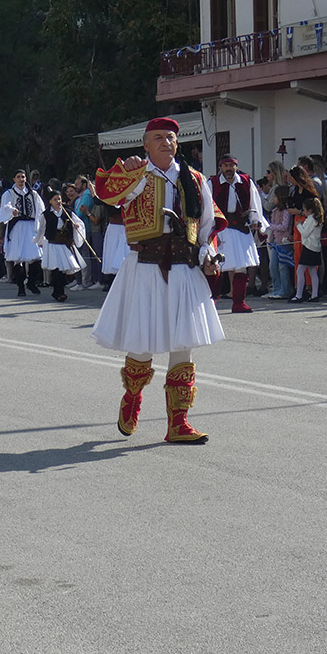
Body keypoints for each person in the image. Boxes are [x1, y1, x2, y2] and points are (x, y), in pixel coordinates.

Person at [92, 117, 224, 445]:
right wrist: (125, 168)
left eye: (171, 137)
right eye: (158, 138)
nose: (166, 142)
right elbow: (106, 194)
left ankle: (178, 422)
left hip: (184, 267)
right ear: (146, 143)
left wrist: (208, 251)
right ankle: (132, 398)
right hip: (146, 267)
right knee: (142, 342)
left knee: (184, 346)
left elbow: (208, 223)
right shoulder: (137, 175)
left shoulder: (194, 179)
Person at [208, 154, 265, 314]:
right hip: (221, 228)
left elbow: (255, 203)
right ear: (221, 167)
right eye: (225, 166)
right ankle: (211, 302)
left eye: (231, 165)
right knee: (216, 267)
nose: (228, 169)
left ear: (236, 167)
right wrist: (211, 230)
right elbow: (207, 207)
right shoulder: (212, 183)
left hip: (241, 228)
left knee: (241, 267)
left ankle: (239, 303)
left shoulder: (246, 182)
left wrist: (256, 221)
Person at [0, 170, 44, 297]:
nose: (21, 179)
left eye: (23, 177)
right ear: (14, 179)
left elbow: (40, 209)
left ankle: (31, 282)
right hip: (17, 227)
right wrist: (12, 210)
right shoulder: (9, 193)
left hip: (31, 226)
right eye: (18, 177)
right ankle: (20, 286)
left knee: (35, 256)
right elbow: (5, 206)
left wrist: (40, 226)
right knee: (18, 258)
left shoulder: (33, 194)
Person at [37, 189, 86, 302]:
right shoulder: (46, 215)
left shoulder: (68, 211)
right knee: (56, 268)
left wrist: (77, 226)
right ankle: (58, 292)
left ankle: (59, 290)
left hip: (64, 244)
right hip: (53, 244)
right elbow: (41, 229)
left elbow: (78, 222)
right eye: (55, 199)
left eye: (59, 199)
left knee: (64, 268)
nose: (58, 201)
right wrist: (40, 241)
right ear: (50, 201)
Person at [265, 185, 295, 300]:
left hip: (284, 242)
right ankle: (277, 288)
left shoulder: (286, 212)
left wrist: (270, 226)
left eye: (276, 196)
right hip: (276, 243)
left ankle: (285, 290)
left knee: (283, 266)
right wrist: (270, 239)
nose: (274, 199)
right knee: (273, 266)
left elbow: (284, 226)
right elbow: (273, 229)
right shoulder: (274, 211)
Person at [291, 197, 323, 302]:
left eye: (304, 210)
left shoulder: (311, 219)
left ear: (310, 211)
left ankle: (299, 295)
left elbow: (305, 233)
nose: (303, 212)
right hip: (315, 247)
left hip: (309, 247)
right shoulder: (317, 219)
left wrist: (298, 226)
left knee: (300, 270)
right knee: (313, 271)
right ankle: (314, 294)